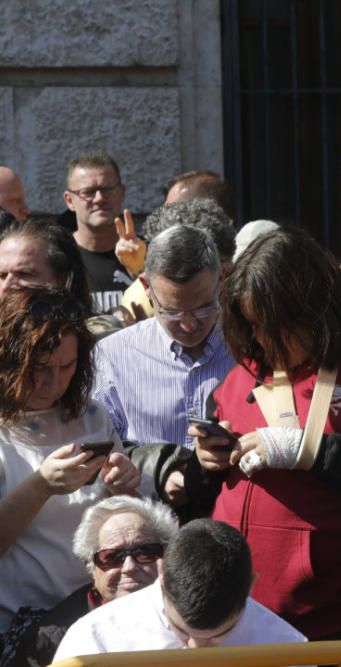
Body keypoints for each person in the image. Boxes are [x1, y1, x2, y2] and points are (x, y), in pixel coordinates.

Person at [191, 225, 341, 641]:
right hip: (243, 616)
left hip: (339, 618)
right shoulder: (246, 366)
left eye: (272, 325)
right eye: (251, 325)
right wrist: (206, 459)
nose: (261, 340)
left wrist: (308, 451)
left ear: (309, 308)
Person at [0, 286, 142, 633]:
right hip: (20, 627)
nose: (54, 383)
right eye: (40, 368)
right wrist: (40, 487)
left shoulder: (91, 415)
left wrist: (125, 490)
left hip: (95, 617)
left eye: (68, 366)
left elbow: (125, 522)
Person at [53, 519, 305, 658]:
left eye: (218, 635)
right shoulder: (95, 640)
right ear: (161, 573)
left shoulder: (287, 648)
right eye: (182, 633)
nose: (196, 650)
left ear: (250, 586)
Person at [93, 225, 234, 448]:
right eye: (171, 311)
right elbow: (98, 451)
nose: (188, 325)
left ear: (223, 280)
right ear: (146, 287)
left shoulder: (253, 347)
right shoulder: (111, 357)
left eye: (204, 308)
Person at [3, 496, 178, 667]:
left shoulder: (193, 611)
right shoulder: (52, 639)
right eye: (111, 557)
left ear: (167, 554)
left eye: (144, 552)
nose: (129, 567)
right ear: (91, 569)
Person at [62, 153, 131, 312]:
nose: (99, 198)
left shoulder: (148, 255)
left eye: (107, 190)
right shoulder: (57, 258)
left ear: (122, 193)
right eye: (88, 192)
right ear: (69, 200)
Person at [0, 220, 92, 310]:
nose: (5, 286)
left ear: (63, 280)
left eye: (23, 273)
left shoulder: (94, 325)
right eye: (2, 276)